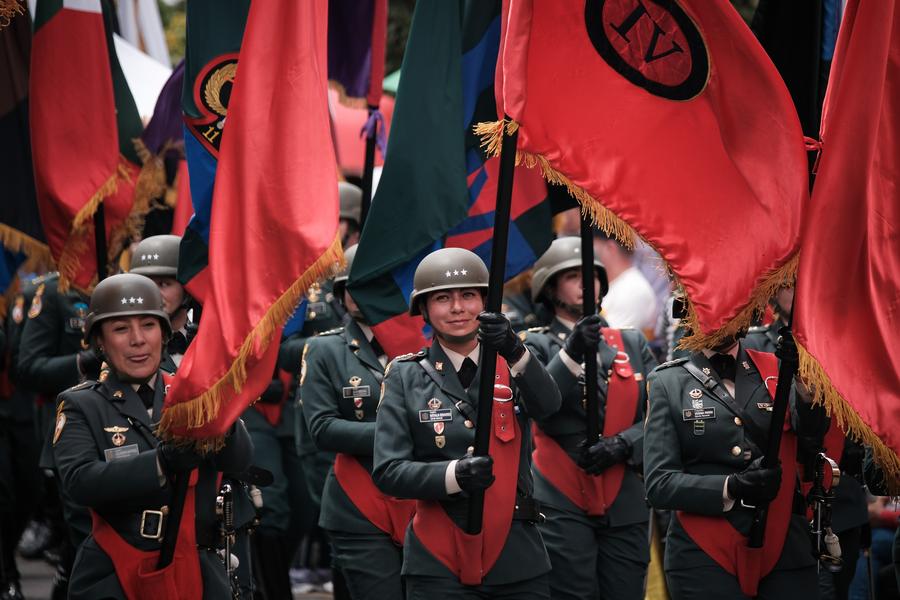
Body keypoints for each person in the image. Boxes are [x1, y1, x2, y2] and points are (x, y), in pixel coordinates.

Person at [373, 247, 561, 599]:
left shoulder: (513, 362)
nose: (458, 308)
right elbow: (389, 471)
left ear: (485, 303)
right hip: (439, 551)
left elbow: (549, 406)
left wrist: (513, 347)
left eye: (469, 295)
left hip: (516, 552)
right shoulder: (404, 375)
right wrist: (453, 475)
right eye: (443, 298)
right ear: (425, 310)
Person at [51, 273, 253, 599]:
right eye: (120, 329)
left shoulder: (192, 395)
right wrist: (160, 463)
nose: (137, 340)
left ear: (163, 332)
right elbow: (80, 481)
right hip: (116, 570)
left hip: (198, 568)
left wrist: (221, 413)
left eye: (148, 325)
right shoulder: (80, 403)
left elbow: (241, 462)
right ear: (100, 342)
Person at [644, 326, 827, 599]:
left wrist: (807, 387)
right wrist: (732, 486)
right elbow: (659, 484)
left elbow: (811, 435)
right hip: (703, 551)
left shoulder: (777, 367)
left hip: (783, 542)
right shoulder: (668, 381)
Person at [522, 236, 658, 599]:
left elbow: (660, 418)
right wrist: (572, 351)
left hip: (624, 491)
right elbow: (539, 403)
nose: (586, 282)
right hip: (561, 492)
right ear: (550, 287)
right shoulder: (535, 344)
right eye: (572, 275)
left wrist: (624, 443)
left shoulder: (630, 343)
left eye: (592, 274)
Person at [302, 245, 416, 599]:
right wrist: (397, 435)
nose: (363, 294)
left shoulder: (419, 345)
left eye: (374, 284)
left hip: (420, 494)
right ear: (341, 295)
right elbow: (322, 428)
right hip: (358, 501)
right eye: (354, 286)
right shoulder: (326, 350)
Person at [745, 287, 868, 600]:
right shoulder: (753, 346)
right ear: (772, 290)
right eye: (789, 281)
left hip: (840, 503)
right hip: (783, 506)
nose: (800, 286)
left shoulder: (851, 340)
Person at [16, 272, 97, 598]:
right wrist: (83, 362)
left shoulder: (127, 279)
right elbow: (29, 367)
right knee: (84, 541)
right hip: (71, 429)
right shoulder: (52, 291)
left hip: (123, 425)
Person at [128, 234, 192, 368]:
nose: (152, 293)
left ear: (187, 289)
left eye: (163, 284)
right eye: (144, 284)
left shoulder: (209, 339)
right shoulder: (125, 346)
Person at [593, 231, 658, 334]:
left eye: (592, 245)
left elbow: (611, 343)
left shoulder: (633, 289)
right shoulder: (611, 284)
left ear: (610, 248)